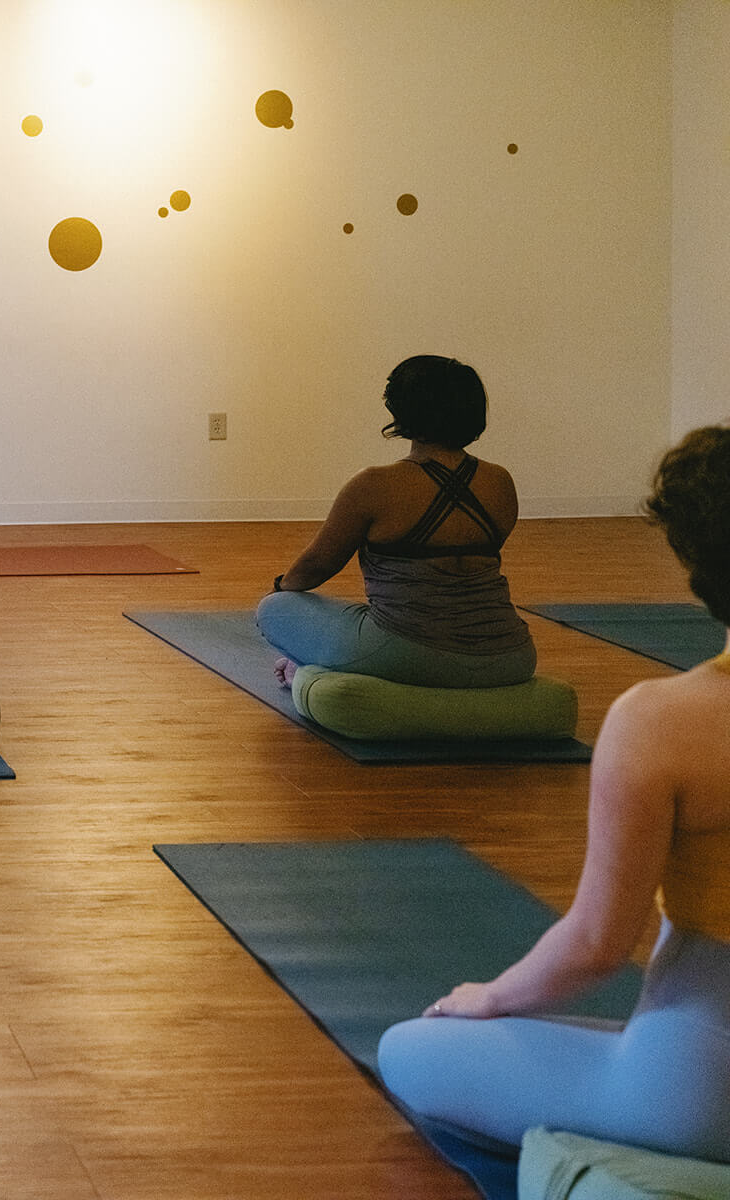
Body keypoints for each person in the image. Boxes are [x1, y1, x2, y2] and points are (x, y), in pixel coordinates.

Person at [378, 425, 730, 1163]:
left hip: (703, 1096)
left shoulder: (663, 720)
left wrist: (490, 996)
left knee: (410, 1048)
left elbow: (597, 947)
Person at [256, 354, 535, 689]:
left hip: (410, 653)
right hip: (512, 656)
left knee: (274, 609)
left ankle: (308, 671)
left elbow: (316, 566)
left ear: (402, 411)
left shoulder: (374, 485)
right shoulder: (500, 481)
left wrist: (279, 589)